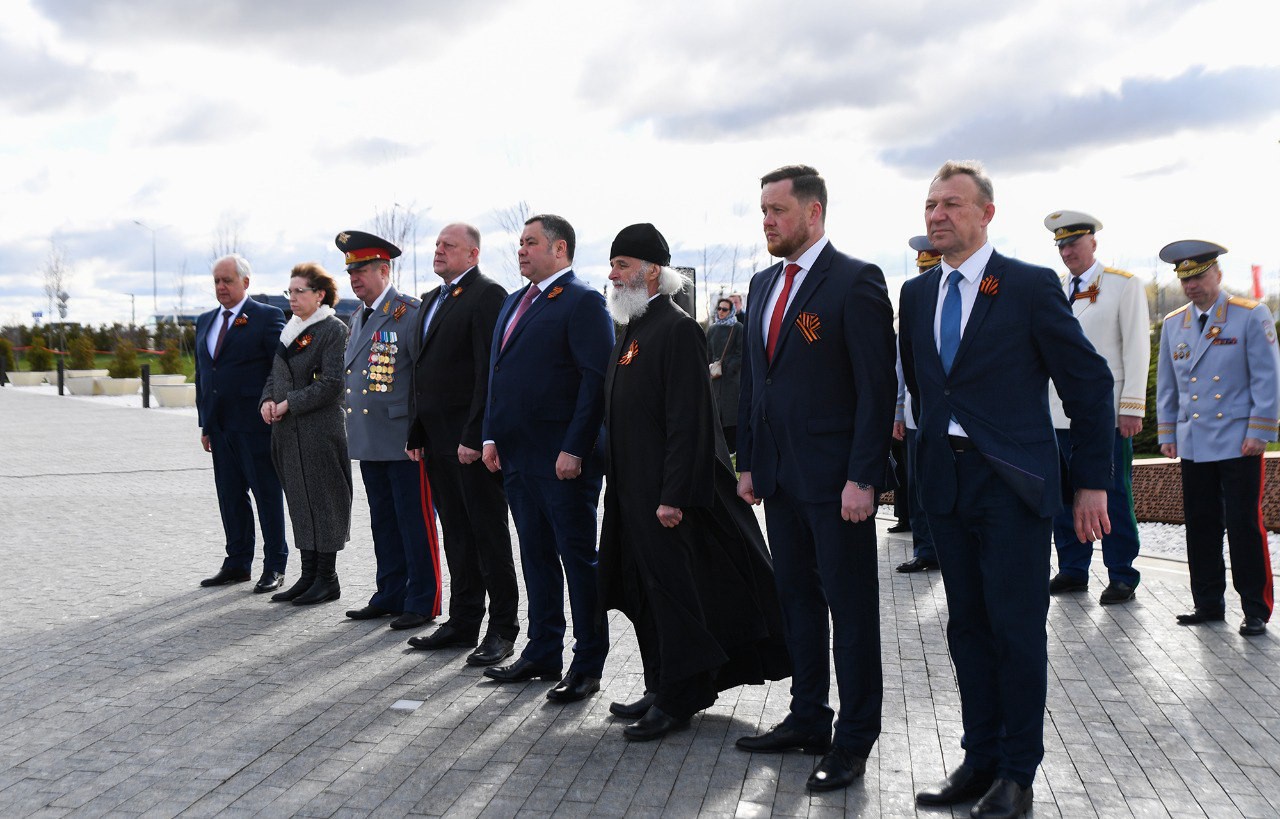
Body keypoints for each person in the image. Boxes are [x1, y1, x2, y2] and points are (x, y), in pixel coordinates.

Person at [899, 160, 1114, 819]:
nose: (937, 215)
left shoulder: (1024, 285)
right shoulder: (916, 295)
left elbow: (1089, 384)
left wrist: (1092, 485)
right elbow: (925, 390)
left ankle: (1018, 773)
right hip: (945, 482)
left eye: (952, 204)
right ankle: (980, 757)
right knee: (967, 627)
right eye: (931, 204)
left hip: (1012, 485)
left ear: (986, 213)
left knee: (1015, 630)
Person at [735, 165, 897, 792]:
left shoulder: (855, 281)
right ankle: (808, 716)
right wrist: (748, 461)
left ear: (814, 212)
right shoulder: (763, 282)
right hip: (779, 479)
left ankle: (854, 737)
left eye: (777, 210)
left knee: (850, 610)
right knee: (797, 602)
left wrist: (864, 476)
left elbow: (875, 388)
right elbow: (755, 381)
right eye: (764, 211)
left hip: (837, 486)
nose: (767, 221)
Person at [598, 224, 791, 741]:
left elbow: (690, 421)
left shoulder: (678, 329)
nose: (613, 275)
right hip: (630, 488)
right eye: (612, 266)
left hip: (665, 494)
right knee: (642, 591)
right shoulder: (633, 328)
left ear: (651, 271)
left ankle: (679, 698)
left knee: (674, 594)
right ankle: (660, 682)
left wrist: (674, 495)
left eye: (622, 264)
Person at [480, 214, 614, 704]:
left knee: (577, 560)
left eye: (530, 243)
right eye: (519, 243)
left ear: (560, 250)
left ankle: (588, 663)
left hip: (562, 461)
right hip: (516, 457)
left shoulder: (583, 301)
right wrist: (490, 435)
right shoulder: (515, 302)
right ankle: (542, 650)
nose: (521, 250)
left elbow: (594, 381)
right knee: (535, 556)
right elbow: (499, 375)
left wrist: (575, 447)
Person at [404, 224, 520, 666]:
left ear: (473, 253)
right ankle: (463, 619)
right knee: (455, 533)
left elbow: (487, 372)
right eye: (436, 245)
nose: (438, 251)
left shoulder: (486, 294)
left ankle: (503, 628)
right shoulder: (432, 300)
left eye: (447, 246)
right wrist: (417, 430)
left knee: (488, 534)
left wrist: (475, 435)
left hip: (469, 443)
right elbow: (422, 372)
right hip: (436, 442)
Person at [1156, 240, 1280, 637]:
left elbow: (1267, 377)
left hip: (1238, 439)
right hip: (1194, 441)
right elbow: (1168, 385)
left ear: (1218, 274)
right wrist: (1168, 432)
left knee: (1244, 524)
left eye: (1199, 276)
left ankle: (1255, 608)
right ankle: (1208, 602)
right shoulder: (1176, 323)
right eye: (1185, 278)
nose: (1192, 285)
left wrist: (1260, 431)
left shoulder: (1249, 315)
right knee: (1201, 524)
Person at [1043, 211, 1150, 605]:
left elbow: (1137, 346)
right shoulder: (1051, 288)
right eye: (1061, 245)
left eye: (1074, 242)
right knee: (1063, 495)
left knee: (1112, 493)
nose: (1067, 250)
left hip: (1106, 414)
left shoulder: (1123, 286)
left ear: (1093, 243)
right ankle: (1073, 568)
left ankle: (1122, 572)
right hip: (1055, 410)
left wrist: (1132, 406)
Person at [337, 230, 441, 630]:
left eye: (361, 270)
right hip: (369, 436)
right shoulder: (356, 316)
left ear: (384, 269)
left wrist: (420, 430)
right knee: (383, 520)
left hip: (404, 439)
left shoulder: (409, 313)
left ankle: (422, 599)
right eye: (351, 272)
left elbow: (423, 377)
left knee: (415, 521)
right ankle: (390, 592)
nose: (355, 278)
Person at [194, 254, 289, 593]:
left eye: (228, 280)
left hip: (256, 424)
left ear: (245, 283)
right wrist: (205, 422)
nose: (221, 286)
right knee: (230, 497)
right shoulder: (204, 321)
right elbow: (202, 374)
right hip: (220, 426)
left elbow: (279, 367)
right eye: (217, 281)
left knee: (266, 495)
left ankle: (275, 564)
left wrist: (273, 406)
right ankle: (237, 562)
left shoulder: (266, 317)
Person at [260, 263, 352, 605]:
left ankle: (327, 579)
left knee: (324, 502)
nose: (293, 297)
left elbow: (332, 383)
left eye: (300, 291)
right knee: (300, 501)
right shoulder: (291, 328)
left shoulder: (332, 329)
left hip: (319, 431)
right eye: (291, 291)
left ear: (320, 295)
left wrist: (289, 404)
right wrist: (267, 400)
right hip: (288, 432)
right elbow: (276, 375)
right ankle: (309, 575)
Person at [893, 235, 941, 572]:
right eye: (922, 270)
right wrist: (897, 410)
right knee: (916, 485)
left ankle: (944, 548)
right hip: (914, 414)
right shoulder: (911, 304)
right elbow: (900, 366)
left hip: (950, 416)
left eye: (931, 269)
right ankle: (925, 549)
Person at [706, 297, 743, 453]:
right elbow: (707, 351)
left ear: (731, 311)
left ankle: (733, 447)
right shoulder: (713, 329)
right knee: (716, 411)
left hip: (731, 378)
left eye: (725, 309)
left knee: (731, 412)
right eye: (719, 309)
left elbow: (741, 352)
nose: (721, 312)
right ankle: (719, 448)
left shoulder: (738, 327)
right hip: (715, 377)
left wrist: (728, 366)